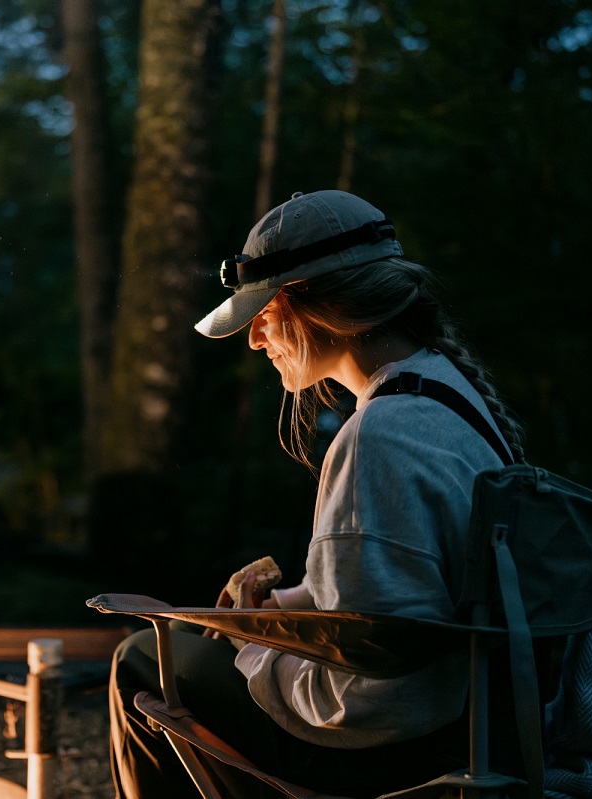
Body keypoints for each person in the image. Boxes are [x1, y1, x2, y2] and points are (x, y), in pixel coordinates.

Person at [107, 189, 526, 798]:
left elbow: (364, 691)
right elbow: (398, 603)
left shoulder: (380, 437)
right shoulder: (448, 400)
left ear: (313, 306)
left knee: (142, 656)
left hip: (391, 751)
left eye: (261, 315)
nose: (253, 340)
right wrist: (277, 610)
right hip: (469, 721)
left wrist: (254, 647)